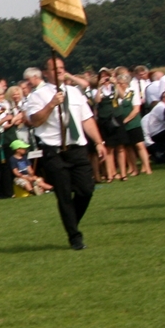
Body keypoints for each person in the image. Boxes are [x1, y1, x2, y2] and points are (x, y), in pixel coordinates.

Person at [22, 59, 108, 249]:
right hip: (54, 152)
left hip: (77, 149)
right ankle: (74, 236)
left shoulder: (75, 92)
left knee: (86, 190)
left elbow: (86, 119)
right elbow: (35, 121)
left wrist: (98, 142)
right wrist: (52, 104)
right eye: (55, 68)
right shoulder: (38, 96)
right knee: (64, 195)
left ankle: (71, 221)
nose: (59, 71)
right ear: (46, 73)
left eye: (61, 68)